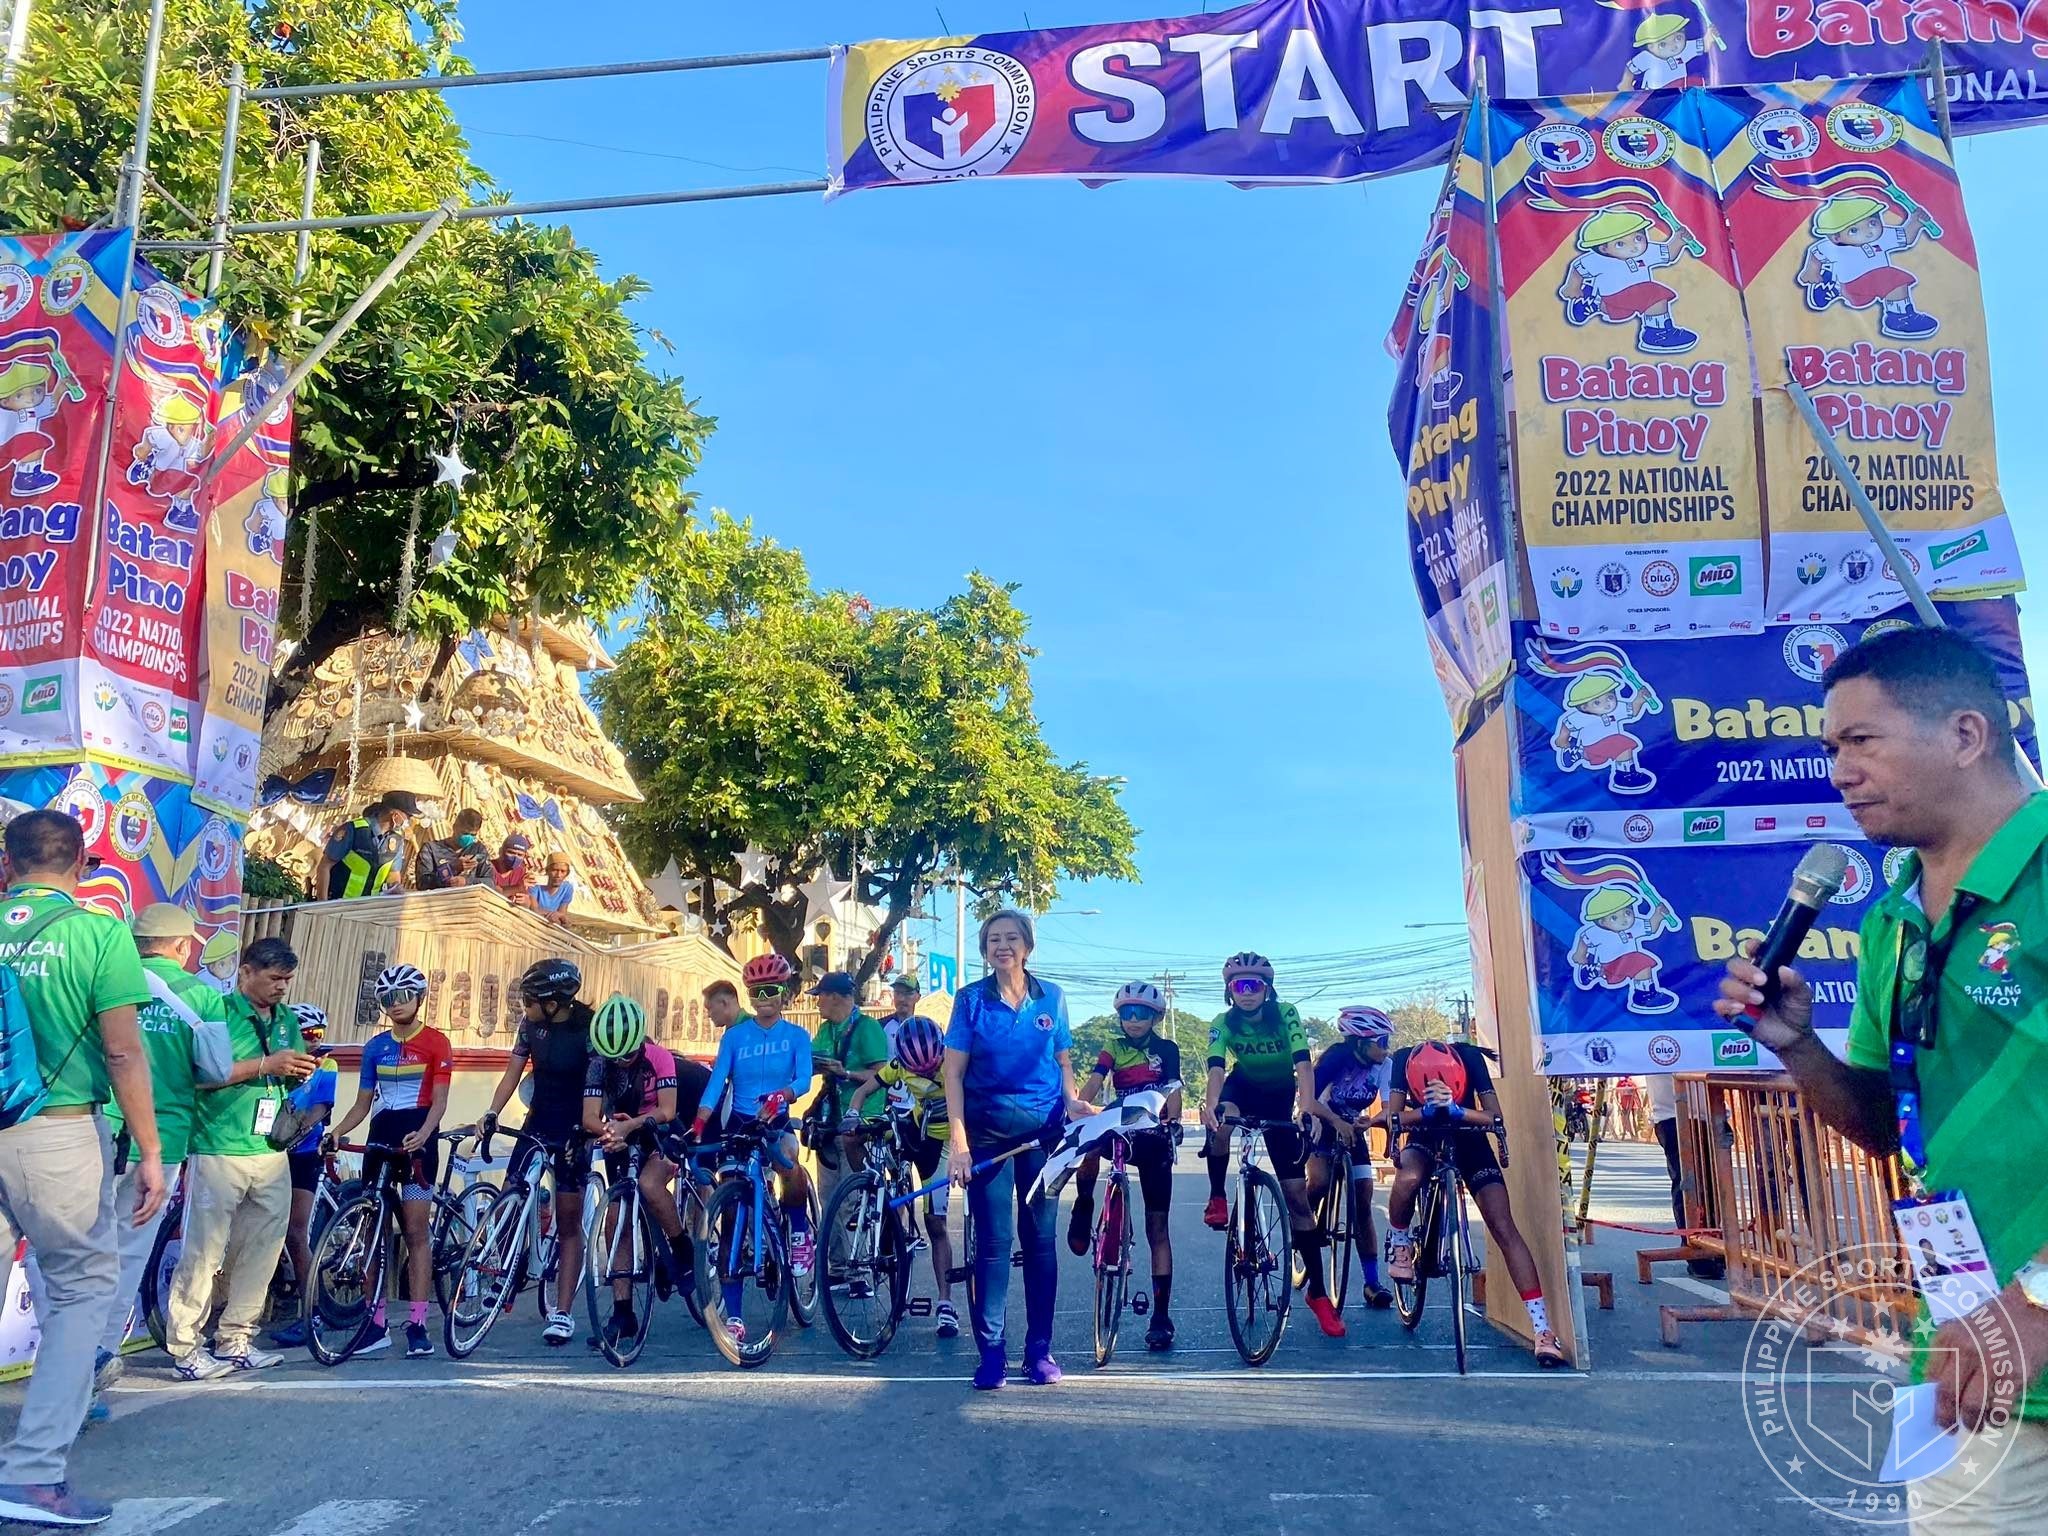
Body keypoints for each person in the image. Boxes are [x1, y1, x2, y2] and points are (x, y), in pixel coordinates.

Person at [1716, 626, 2048, 1525]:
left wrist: (2039, 1300)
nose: (1839, 770)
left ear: (1967, 736)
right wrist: (1799, 1048)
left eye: (1862, 742)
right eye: (1830, 749)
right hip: (1959, 1345)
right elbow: (1886, 1122)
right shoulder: (1890, 918)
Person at [0, 811, 165, 1527]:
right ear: (83, 863)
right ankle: (34, 1476)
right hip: (56, 1133)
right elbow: (124, 1053)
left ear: (7, 864)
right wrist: (151, 1150)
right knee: (78, 1293)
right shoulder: (97, 934)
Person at [943, 909, 1090, 1390]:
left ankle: (1039, 1351)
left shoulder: (1053, 997)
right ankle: (991, 1353)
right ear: (985, 950)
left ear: (1027, 946)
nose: (1001, 946)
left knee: (1041, 1243)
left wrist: (1072, 1101)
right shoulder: (969, 1001)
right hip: (986, 1138)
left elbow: (1063, 1060)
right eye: (992, 940)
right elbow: (954, 1075)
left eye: (1011, 938)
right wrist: (959, 1145)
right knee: (993, 1246)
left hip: (1043, 1136)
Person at [91, 905, 232, 1404]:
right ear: (182, 946)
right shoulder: (199, 996)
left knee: (74, 1254)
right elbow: (216, 1069)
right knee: (127, 1258)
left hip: (97, 1131)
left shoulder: (102, 980)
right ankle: (96, 1364)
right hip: (163, 1140)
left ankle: (62, 1360)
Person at [164, 935, 313, 1381]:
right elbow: (201, 1076)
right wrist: (266, 1065)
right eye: (273, 979)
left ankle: (236, 1339)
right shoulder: (218, 1013)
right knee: (204, 1253)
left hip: (270, 1150)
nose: (281, 988)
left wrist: (302, 1073)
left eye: (287, 980)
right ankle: (185, 1348)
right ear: (245, 972)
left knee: (263, 1250)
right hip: (218, 1147)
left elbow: (290, 1073)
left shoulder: (287, 1019)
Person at [1384, 1037, 1567, 1368]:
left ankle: (1543, 1330)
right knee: (1408, 1177)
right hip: (1424, 1135)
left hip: (1469, 1136)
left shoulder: (1469, 1057)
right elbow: (1394, 1118)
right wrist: (1424, 1111)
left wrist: (1456, 1110)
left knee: (1503, 1225)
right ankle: (1399, 1239)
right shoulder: (1400, 1058)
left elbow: (1495, 1119)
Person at [1201, 953, 1346, 1337]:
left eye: (1255, 985)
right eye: (1239, 985)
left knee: (1298, 1199)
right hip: (1243, 1087)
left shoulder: (1286, 1014)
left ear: (1267, 989)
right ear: (1229, 991)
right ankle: (1218, 1197)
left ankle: (1317, 1292)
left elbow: (1303, 1064)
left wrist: (1307, 1107)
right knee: (1220, 1122)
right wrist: (1211, 1104)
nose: (1247, 992)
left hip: (1280, 1093)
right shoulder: (1223, 1023)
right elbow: (1216, 1069)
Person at [322, 965, 451, 1359]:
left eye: (401, 997)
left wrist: (426, 1133)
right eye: (386, 1000)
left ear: (418, 998)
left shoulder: (435, 1043)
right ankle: (374, 1324)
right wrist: (339, 1132)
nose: (394, 1005)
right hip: (380, 1139)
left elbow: (440, 1101)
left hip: (417, 1140)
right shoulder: (375, 1047)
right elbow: (363, 1104)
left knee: (415, 1233)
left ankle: (417, 1324)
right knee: (372, 1235)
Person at [690, 953, 817, 1337]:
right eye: (757, 992)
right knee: (731, 1214)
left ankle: (797, 1229)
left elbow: (806, 1078)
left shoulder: (797, 1036)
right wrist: (699, 1122)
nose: (764, 999)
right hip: (740, 1124)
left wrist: (785, 1094)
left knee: (789, 1161)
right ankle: (734, 1313)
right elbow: (717, 1082)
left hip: (776, 1119)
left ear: (784, 995)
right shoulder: (734, 1036)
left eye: (772, 990)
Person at [480, 958, 593, 1346]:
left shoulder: (588, 1030)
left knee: (567, 1222)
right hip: (538, 1120)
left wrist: (589, 1130)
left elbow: (598, 1087)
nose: (522, 1006)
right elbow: (512, 1072)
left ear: (553, 1002)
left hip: (574, 1128)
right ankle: (509, 1271)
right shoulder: (530, 1027)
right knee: (512, 1190)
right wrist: (492, 1112)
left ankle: (562, 1313)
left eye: (528, 999)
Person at [1066, 981, 1183, 1351]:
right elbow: (1095, 1082)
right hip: (1122, 1124)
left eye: (1142, 1014)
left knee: (1157, 1227)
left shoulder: (1167, 1049)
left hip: (1153, 1133)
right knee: (1089, 1135)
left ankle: (1161, 1317)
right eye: (1127, 1014)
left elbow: (1174, 1090)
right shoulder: (1112, 1047)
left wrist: (1174, 1122)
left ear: (1155, 1017)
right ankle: (1084, 1203)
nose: (1133, 1020)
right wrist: (1075, 1108)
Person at [582, 992, 692, 1352]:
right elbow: (588, 1115)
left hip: (657, 1128)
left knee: (649, 1184)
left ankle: (680, 1245)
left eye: (627, 1056)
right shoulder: (599, 1062)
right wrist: (610, 1132)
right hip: (621, 1132)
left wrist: (631, 1128)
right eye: (615, 1058)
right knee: (616, 1221)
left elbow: (668, 1109)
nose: (621, 1062)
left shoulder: (658, 1057)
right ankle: (623, 1310)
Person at [846, 1016, 958, 1339]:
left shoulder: (953, 1060)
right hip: (917, 1132)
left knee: (936, 1224)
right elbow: (865, 1089)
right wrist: (853, 1113)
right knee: (862, 1136)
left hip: (946, 1142)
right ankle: (871, 1196)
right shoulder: (898, 1065)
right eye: (916, 1071)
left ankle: (946, 1304)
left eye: (929, 1069)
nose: (923, 1074)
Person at [1305, 1005, 1398, 1311]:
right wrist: (1332, 1121)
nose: (1385, 1049)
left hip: (1354, 1127)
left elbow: (1388, 1107)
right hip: (1322, 1120)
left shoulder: (1385, 1066)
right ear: (1360, 1042)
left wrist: (1370, 1122)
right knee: (1318, 1181)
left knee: (1363, 1202)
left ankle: (1372, 1283)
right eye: (1381, 1042)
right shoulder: (1334, 1059)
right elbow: (1308, 1100)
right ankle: (1306, 1222)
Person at [267, 1004, 337, 1351]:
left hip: (304, 1155)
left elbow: (319, 1109)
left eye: (318, 1035)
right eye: (306, 1035)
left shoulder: (327, 1065)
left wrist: (291, 1135)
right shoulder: (281, 1061)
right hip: (270, 1154)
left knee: (296, 1233)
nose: (312, 1042)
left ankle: (313, 1316)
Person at [809, 970, 888, 1216]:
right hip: (828, 1123)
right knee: (827, 1201)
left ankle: (858, 1254)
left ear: (834, 997)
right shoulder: (825, 1030)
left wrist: (846, 1073)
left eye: (819, 995)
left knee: (850, 1203)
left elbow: (882, 1075)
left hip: (859, 1123)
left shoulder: (868, 1028)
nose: (816, 1001)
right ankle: (833, 1256)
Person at [314, 792, 418, 901]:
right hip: (339, 904)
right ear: (395, 815)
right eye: (408, 817)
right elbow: (324, 866)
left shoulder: (396, 841)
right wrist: (323, 904)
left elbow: (393, 875)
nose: (408, 822)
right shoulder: (353, 830)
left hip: (368, 910)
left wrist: (395, 894)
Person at [414, 808, 486, 891]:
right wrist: (451, 868)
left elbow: (490, 882)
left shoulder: (479, 851)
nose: (468, 838)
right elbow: (422, 884)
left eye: (473, 835)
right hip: (440, 902)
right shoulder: (431, 849)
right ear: (455, 826)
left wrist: (467, 881)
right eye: (465, 833)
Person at [491, 834, 536, 907]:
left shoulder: (521, 872)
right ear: (501, 851)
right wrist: (518, 887)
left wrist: (524, 901)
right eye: (511, 853)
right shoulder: (489, 867)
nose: (515, 858)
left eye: (520, 855)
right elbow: (493, 891)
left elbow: (528, 903)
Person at [533, 854, 577, 925]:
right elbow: (533, 909)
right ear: (547, 870)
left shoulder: (567, 888)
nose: (558, 875)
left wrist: (559, 917)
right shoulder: (536, 883)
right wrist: (553, 915)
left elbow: (562, 913)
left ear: (567, 873)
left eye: (562, 871)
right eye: (554, 870)